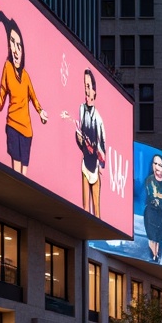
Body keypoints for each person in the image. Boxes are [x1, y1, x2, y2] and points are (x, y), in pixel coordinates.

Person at [0, 0, 48, 175]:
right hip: (13, 126)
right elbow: (0, 103)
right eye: (12, 43)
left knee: (23, 175)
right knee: (16, 174)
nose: (16, 49)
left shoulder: (25, 76)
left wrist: (41, 112)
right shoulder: (7, 68)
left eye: (19, 45)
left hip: (27, 131)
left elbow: (34, 98)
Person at [59, 69, 107, 217]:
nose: (86, 90)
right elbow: (79, 131)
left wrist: (97, 153)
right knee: (85, 209)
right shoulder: (81, 109)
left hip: (95, 167)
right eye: (85, 86)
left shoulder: (98, 119)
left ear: (94, 91)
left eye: (89, 86)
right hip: (85, 164)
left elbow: (103, 150)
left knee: (96, 212)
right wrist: (80, 140)